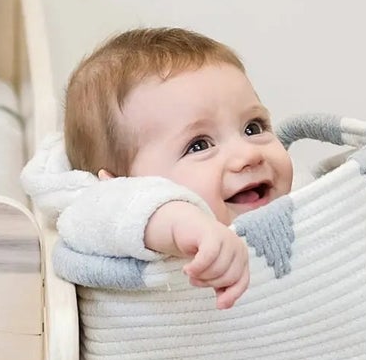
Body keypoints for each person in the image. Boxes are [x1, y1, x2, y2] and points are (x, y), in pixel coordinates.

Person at [22, 27, 294, 309]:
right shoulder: (101, 209)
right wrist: (189, 223)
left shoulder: (297, 201)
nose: (248, 154)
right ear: (120, 183)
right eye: (199, 145)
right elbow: (130, 208)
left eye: (253, 127)